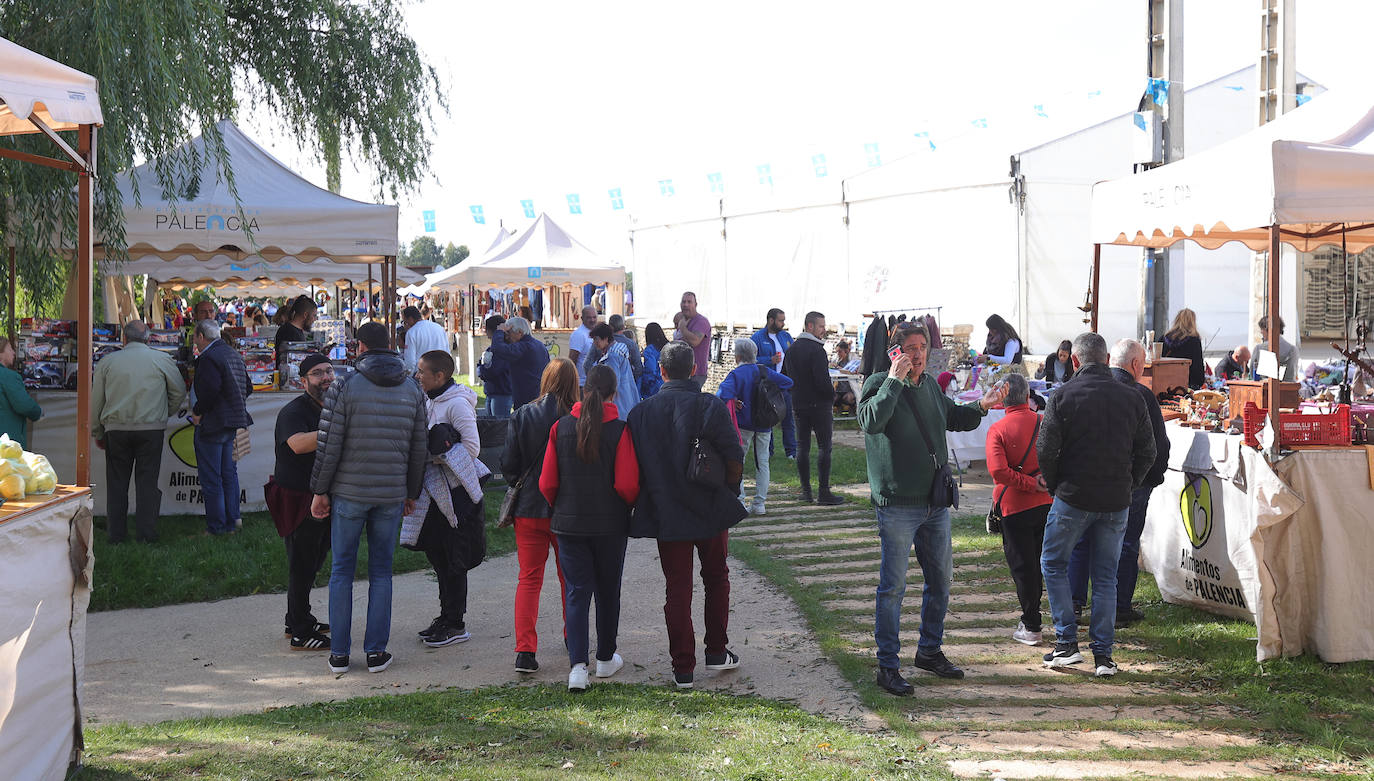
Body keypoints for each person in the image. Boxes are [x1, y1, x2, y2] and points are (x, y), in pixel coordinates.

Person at [859, 321, 1006, 694]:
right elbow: (871, 422)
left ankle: (928, 650)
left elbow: (951, 416)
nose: (918, 353)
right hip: (897, 506)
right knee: (893, 588)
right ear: (896, 352)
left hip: (934, 504)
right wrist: (893, 380)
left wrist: (982, 406)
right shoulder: (878, 384)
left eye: (922, 346)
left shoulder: (928, 386)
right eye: (910, 347)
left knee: (940, 580)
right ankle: (887, 666)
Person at [311, 321, 429, 676]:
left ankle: (340, 655)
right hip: (391, 493)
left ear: (359, 346)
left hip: (349, 491)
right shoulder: (412, 388)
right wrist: (411, 492)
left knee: (342, 571)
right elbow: (418, 448)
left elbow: (328, 444)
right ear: (389, 346)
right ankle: (376, 652)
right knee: (381, 573)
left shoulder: (345, 386)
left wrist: (319, 490)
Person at [629, 340, 747, 689]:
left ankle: (683, 667)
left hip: (667, 510)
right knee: (716, 578)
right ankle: (715, 651)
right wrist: (730, 491)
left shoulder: (640, 413)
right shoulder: (709, 405)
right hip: (709, 504)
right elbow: (734, 455)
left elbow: (633, 467)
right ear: (694, 369)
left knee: (677, 588)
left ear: (661, 371)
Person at [1037, 332, 1155, 679]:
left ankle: (1066, 643)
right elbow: (1148, 451)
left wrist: (1056, 484)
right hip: (1116, 498)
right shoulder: (1133, 397)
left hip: (1073, 495)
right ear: (1106, 360)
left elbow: (1045, 449)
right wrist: (1130, 483)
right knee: (1105, 577)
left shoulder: (1063, 396)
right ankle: (1103, 655)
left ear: (1074, 361)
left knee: (1053, 563)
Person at [538, 365, 640, 691]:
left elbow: (547, 482)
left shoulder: (560, 427)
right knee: (608, 591)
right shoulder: (621, 430)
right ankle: (606, 658)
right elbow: (627, 484)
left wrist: (561, 507)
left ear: (584, 390)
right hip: (610, 525)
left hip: (569, 523)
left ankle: (577, 667)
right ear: (615, 394)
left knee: (576, 592)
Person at [1067, 339, 1170, 628]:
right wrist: (1149, 479)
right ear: (1136, 365)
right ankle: (1119, 607)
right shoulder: (1140, 394)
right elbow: (1157, 446)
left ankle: (1075, 604)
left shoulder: (1087, 389)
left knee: (1083, 541)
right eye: (1143, 365)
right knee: (1125, 544)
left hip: (1086, 481)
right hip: (1129, 484)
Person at [500, 359, 578, 674]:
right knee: (569, 579)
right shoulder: (578, 415)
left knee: (529, 579)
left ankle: (525, 650)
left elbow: (508, 463)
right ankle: (573, 637)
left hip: (530, 506)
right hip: (567, 507)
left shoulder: (522, 414)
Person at [90, 321, 185, 544]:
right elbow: (178, 391)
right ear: (149, 338)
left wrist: (97, 431)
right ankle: (147, 534)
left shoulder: (107, 362)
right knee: (147, 483)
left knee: (116, 484)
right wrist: (164, 412)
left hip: (116, 429)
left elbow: (96, 402)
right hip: (151, 429)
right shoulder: (162, 359)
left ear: (124, 339)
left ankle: (116, 535)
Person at [413, 349, 482, 648]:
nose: (418, 376)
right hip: (435, 494)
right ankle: (445, 615)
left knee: (454, 558)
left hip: (456, 495)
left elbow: (472, 448)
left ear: (439, 376)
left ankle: (456, 622)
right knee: (438, 555)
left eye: (422, 372)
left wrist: (438, 457)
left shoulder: (456, 405)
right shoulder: (430, 400)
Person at [267, 353, 334, 649]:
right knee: (303, 562)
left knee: (313, 559)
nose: (326, 378)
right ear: (303, 380)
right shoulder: (293, 412)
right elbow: (297, 444)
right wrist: (338, 430)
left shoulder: (333, 406)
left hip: (319, 494)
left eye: (329, 371)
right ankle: (301, 632)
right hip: (297, 497)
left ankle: (296, 616)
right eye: (318, 373)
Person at [986, 372, 1052, 646]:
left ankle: (1032, 624)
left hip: (1015, 506)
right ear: (1028, 396)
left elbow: (998, 471)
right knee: (1043, 563)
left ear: (1002, 401)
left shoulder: (998, 429)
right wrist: (1042, 483)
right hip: (1046, 503)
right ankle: (1054, 620)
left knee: (1023, 566)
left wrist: (1026, 483)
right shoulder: (1044, 423)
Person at [190, 319, 253, 536]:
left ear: (200, 336)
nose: (194, 342)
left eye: (195, 337)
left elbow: (209, 392)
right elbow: (249, 386)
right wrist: (232, 402)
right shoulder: (231, 353)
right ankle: (232, 520)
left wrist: (198, 411)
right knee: (228, 473)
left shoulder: (208, 357)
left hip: (214, 423)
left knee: (212, 477)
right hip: (232, 421)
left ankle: (216, 527)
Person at [717, 338, 794, 516]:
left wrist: (734, 399)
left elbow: (721, 394)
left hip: (743, 424)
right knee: (763, 462)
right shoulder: (763, 370)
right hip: (764, 423)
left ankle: (740, 501)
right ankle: (760, 504)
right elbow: (788, 383)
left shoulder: (736, 374)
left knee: (739, 462)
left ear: (737, 356)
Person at [783, 311, 843, 506]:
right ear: (810, 326)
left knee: (803, 447)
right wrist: (831, 396)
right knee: (824, 447)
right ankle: (823, 491)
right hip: (819, 404)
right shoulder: (817, 350)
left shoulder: (792, 349)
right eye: (820, 326)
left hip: (799, 402)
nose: (824, 330)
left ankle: (806, 491)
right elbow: (822, 381)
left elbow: (785, 375)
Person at [751, 308, 798, 459]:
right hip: (767, 386)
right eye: (780, 320)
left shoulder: (786, 336)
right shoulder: (757, 338)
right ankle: (768, 452)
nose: (783, 323)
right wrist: (768, 360)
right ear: (771, 320)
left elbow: (793, 355)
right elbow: (751, 360)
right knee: (768, 419)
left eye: (784, 320)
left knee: (788, 419)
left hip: (784, 384)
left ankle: (791, 452)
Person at [489, 316, 551, 409]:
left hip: (527, 400)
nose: (507, 337)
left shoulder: (524, 347)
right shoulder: (539, 345)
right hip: (540, 397)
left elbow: (498, 348)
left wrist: (499, 331)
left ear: (520, 332)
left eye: (508, 333)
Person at [587, 323, 640, 419]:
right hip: (627, 398)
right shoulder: (616, 351)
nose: (594, 343)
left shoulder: (612, 356)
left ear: (606, 338)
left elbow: (612, 384)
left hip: (619, 404)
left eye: (596, 339)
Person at [0, 337, 41, 449]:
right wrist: (38, 412)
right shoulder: (9, 377)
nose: (14, 353)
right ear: (1, 353)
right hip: (6, 445)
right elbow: (24, 405)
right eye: (10, 349)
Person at [672, 292, 711, 389]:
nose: (686, 305)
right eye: (683, 302)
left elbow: (695, 341)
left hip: (696, 373)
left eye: (689, 302)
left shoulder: (701, 321)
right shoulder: (682, 320)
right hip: (681, 372)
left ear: (695, 304)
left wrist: (683, 328)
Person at [478, 315, 514, 418]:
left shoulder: (503, 349)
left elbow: (493, 370)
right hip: (491, 392)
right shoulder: (491, 349)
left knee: (499, 426)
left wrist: (481, 371)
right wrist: (481, 369)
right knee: (492, 425)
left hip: (501, 393)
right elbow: (481, 365)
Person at [1162, 308, 1206, 389]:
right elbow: (1197, 366)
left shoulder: (1164, 338)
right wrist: (1200, 381)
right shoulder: (1194, 341)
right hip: (1186, 384)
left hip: (1164, 382)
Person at [401, 305, 449, 374]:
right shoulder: (439, 328)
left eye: (405, 322)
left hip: (422, 374)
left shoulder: (412, 332)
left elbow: (410, 362)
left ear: (410, 319)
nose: (405, 325)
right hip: (440, 372)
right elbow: (447, 351)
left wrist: (409, 377)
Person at [1251, 315, 1298, 381]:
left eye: (1262, 329)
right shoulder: (1293, 349)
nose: (1261, 332)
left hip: (1265, 388)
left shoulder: (1259, 348)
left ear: (1267, 329)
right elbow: (1291, 375)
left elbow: (1252, 372)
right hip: (1287, 389)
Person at [275, 295, 318, 365]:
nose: (315, 319)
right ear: (305, 315)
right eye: (314, 316)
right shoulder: (289, 332)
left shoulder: (292, 330)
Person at [567, 306, 598, 386]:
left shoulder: (596, 332)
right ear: (582, 318)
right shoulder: (579, 334)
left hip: (594, 382)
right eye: (589, 318)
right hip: (582, 384)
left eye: (594, 317)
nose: (592, 320)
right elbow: (572, 359)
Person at [639, 322, 669, 399]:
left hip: (655, 388)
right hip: (669, 385)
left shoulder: (650, 350)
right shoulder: (669, 346)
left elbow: (650, 370)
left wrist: (645, 384)